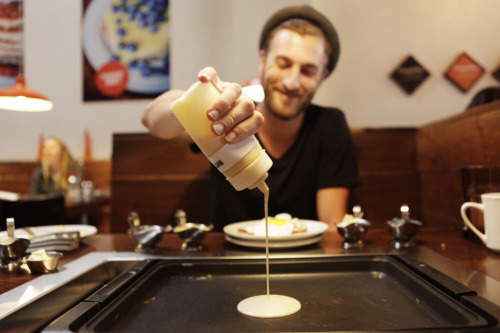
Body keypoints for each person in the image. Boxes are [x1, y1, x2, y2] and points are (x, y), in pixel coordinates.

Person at [142, 5, 360, 231]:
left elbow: (332, 227)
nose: (292, 82)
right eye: (283, 64)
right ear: (263, 61)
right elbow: (151, 120)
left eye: (307, 71)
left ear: (322, 77)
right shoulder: (231, 116)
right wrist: (193, 104)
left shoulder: (329, 125)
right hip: (228, 259)